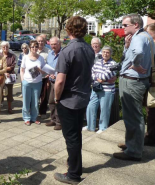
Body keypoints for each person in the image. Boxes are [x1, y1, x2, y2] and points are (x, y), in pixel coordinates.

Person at [53, 16, 94, 184]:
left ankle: (73, 175)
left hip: (69, 100)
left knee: (71, 138)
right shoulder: (89, 48)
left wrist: (56, 98)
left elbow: (60, 80)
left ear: (68, 30)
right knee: (76, 135)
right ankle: (75, 165)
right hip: (83, 97)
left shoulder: (67, 51)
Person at [113, 14, 154, 161]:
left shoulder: (138, 37)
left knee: (133, 117)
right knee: (133, 115)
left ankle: (133, 151)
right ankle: (132, 144)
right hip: (136, 80)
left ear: (135, 25)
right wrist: (126, 47)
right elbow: (131, 55)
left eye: (125, 25)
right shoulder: (144, 36)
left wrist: (136, 65)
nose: (122, 27)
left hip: (132, 81)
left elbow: (138, 53)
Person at [83, 46, 117, 134]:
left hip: (107, 90)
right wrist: (99, 78)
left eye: (107, 52)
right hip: (96, 88)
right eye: (104, 52)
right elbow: (92, 72)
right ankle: (90, 126)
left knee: (105, 109)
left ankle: (103, 127)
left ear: (110, 54)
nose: (105, 54)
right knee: (91, 107)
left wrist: (99, 77)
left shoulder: (113, 64)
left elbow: (106, 76)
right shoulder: (98, 62)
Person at [20, 41, 45, 126]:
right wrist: (23, 80)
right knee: (26, 101)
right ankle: (26, 118)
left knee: (35, 102)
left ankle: (34, 118)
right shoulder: (25, 57)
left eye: (36, 47)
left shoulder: (41, 58)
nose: (34, 48)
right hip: (27, 82)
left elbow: (44, 71)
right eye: (33, 47)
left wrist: (41, 70)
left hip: (37, 82)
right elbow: (22, 70)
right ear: (30, 48)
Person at [45, 37, 62, 131]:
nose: (53, 46)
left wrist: (56, 76)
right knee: (51, 101)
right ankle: (53, 119)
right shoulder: (50, 54)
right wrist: (48, 74)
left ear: (59, 44)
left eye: (55, 44)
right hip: (51, 82)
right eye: (51, 44)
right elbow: (48, 66)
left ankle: (59, 122)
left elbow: (65, 68)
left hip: (59, 82)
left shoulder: (63, 54)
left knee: (58, 102)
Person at [37, 35, 51, 118]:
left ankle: (42, 112)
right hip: (35, 78)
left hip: (45, 77)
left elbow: (50, 65)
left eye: (42, 41)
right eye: (39, 41)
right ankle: (34, 111)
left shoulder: (48, 51)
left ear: (45, 42)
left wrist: (48, 74)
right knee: (35, 95)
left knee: (44, 95)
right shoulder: (33, 50)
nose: (40, 43)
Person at [0, 41, 16, 114]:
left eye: (7, 46)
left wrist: (4, 69)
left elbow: (12, 66)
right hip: (0, 76)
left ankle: (9, 107)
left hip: (10, 76)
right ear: (1, 48)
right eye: (4, 47)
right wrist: (4, 71)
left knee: (9, 92)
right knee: (0, 92)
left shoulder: (12, 56)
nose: (5, 48)